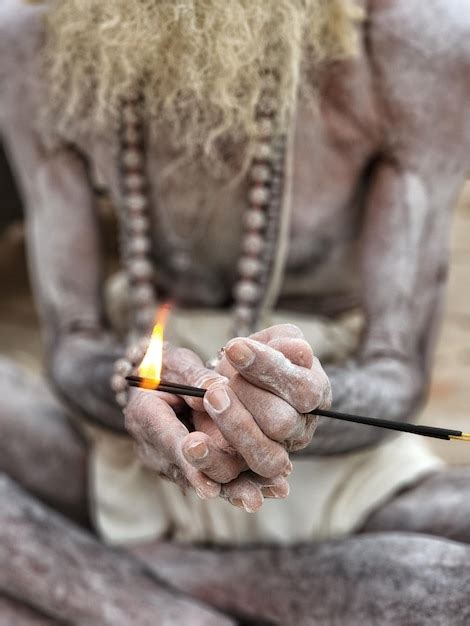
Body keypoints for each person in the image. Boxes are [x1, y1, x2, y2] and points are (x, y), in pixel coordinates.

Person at [0, 0, 469, 623]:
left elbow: (396, 372)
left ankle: (160, 578)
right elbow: (72, 342)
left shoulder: (415, 46)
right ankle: (155, 609)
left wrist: (295, 411)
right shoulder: (31, 41)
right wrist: (138, 390)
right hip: (104, 453)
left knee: (448, 590)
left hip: (338, 474)